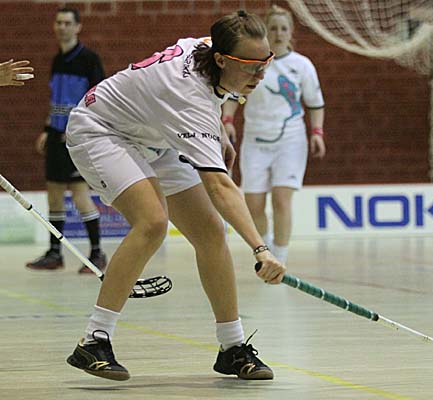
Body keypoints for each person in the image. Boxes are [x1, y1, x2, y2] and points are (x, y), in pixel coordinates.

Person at [64, 10, 286, 381]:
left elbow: (206, 96)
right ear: (222, 59)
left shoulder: (208, 48)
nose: (260, 75)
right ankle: (93, 341)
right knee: (152, 222)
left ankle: (232, 347)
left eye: (266, 63)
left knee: (210, 231)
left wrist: (219, 132)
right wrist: (261, 249)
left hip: (154, 134)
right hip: (101, 130)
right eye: (251, 66)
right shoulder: (188, 98)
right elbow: (220, 187)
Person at [222, 5, 326, 264]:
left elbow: (315, 104)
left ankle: (280, 258)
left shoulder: (302, 65)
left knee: (281, 200)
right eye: (273, 28)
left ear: (291, 33)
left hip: (290, 140)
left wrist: (317, 132)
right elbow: (234, 95)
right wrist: (227, 120)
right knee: (254, 205)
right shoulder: (253, 64)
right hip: (255, 140)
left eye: (283, 29)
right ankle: (266, 250)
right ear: (265, 33)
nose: (279, 33)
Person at [26, 7, 107, 274]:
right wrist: (47, 128)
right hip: (55, 137)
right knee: (54, 196)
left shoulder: (89, 60)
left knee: (80, 195)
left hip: (75, 139)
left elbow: (98, 100)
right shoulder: (57, 60)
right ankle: (54, 253)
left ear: (78, 27)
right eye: (58, 22)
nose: (62, 27)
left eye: (67, 23)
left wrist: (81, 130)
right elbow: (56, 101)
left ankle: (97, 252)